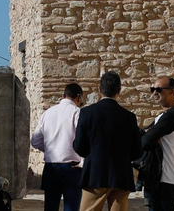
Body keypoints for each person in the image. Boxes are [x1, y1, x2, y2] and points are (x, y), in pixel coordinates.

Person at [72, 71, 138, 211]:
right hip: (121, 174)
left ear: (99, 89)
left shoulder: (87, 113)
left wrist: (91, 155)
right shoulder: (129, 117)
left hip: (95, 173)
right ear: (119, 91)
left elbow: (79, 146)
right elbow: (137, 150)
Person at [29, 83, 84, 211]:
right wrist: (83, 161)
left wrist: (50, 148)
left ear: (62, 95)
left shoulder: (47, 113)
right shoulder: (77, 112)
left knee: (50, 206)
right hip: (71, 167)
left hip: (51, 167)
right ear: (79, 98)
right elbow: (83, 139)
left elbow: (35, 141)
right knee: (71, 207)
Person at [138, 76, 174, 211]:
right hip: (162, 180)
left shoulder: (172, 115)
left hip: (165, 180)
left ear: (171, 91)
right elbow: (143, 134)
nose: (154, 93)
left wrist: (149, 134)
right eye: (153, 89)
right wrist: (149, 134)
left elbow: (145, 142)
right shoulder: (164, 116)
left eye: (158, 89)